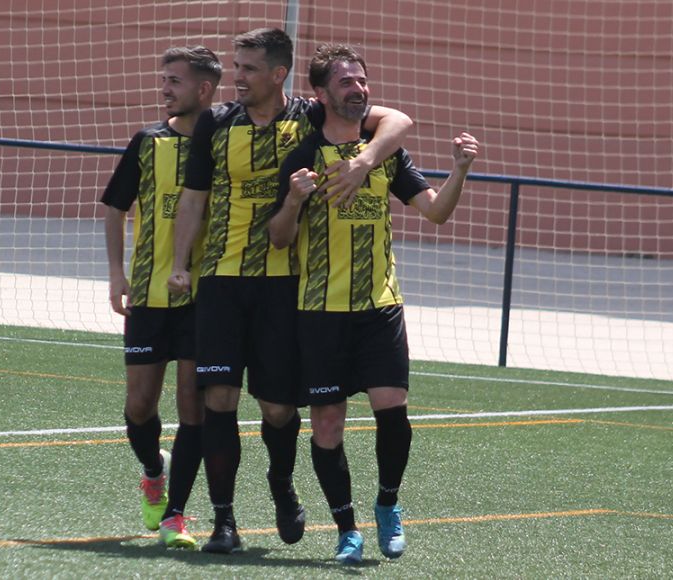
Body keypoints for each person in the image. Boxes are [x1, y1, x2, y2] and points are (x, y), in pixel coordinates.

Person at [167, 29, 414, 554]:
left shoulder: (309, 115)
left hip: (285, 285)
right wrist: (179, 263)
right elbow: (193, 198)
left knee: (278, 409)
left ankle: (282, 484)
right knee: (219, 398)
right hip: (221, 280)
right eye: (237, 67)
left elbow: (396, 122)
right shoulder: (216, 121)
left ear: (277, 75)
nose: (237, 77)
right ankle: (224, 520)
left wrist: (366, 160)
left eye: (248, 69)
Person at [269, 44, 479, 564]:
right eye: (345, 82)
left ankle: (388, 503)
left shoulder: (384, 154)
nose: (357, 89)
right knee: (327, 425)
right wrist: (294, 200)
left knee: (393, 410)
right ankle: (346, 528)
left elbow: (435, 213)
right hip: (319, 310)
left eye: (362, 80)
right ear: (321, 93)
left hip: (379, 306)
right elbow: (277, 238)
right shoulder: (303, 157)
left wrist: (460, 170)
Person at [100, 46, 222, 550]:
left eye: (175, 80)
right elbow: (114, 206)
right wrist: (116, 272)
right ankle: (153, 470)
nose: (164, 88)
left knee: (192, 405)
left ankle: (176, 515)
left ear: (204, 90)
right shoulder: (147, 142)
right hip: (149, 294)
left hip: (203, 299)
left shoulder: (226, 145)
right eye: (164, 79)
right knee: (138, 405)